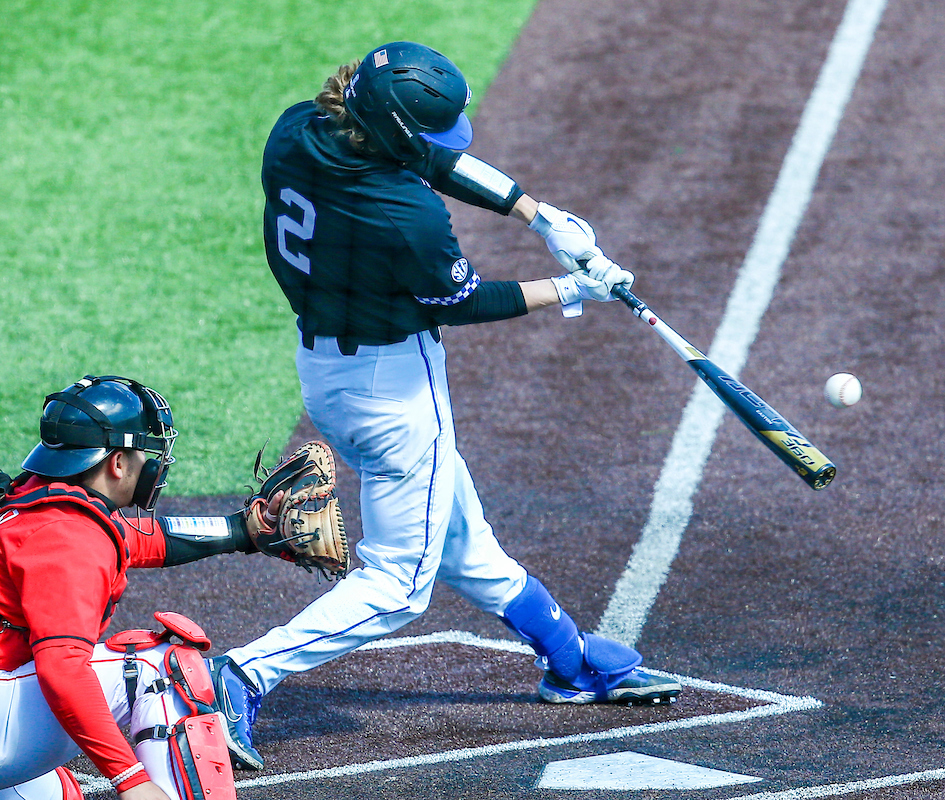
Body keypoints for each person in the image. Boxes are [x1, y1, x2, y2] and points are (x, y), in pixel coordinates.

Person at [206, 40, 682, 771]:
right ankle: (239, 676)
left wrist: (540, 217)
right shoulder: (408, 216)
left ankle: (570, 660)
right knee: (399, 584)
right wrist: (572, 289)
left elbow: (430, 158)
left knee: (462, 543)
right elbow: (460, 300)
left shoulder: (300, 129)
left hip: (328, 373)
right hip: (395, 394)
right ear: (397, 130)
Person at [0, 375, 282, 799]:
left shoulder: (30, 500)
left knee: (52, 791)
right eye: (143, 452)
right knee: (163, 669)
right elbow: (63, 668)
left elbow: (137, 539)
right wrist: (130, 779)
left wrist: (242, 530)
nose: (151, 465)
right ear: (117, 463)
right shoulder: (69, 539)